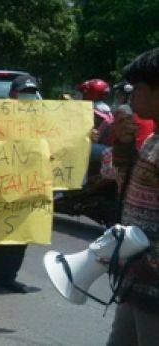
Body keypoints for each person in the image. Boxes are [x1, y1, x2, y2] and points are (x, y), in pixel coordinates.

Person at [107, 48, 159, 346]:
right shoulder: (152, 139)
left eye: (138, 89)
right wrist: (123, 146)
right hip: (137, 278)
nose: (131, 97)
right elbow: (128, 189)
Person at [0, 75, 40, 296]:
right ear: (12, 94)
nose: (28, 96)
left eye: (32, 91)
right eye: (24, 91)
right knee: (2, 231)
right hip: (4, 180)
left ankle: (9, 277)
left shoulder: (41, 116)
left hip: (31, 181)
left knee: (22, 232)